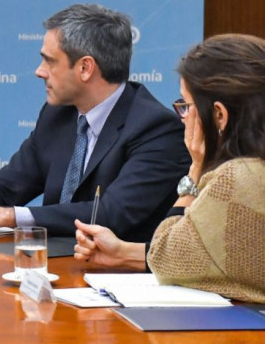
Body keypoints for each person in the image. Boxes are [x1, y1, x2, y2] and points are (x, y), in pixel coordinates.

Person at [0, 4, 189, 239]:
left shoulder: (157, 129)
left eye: (50, 61)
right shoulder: (58, 115)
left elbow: (110, 215)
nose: (39, 71)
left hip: (113, 271)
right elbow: (8, 186)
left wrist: (8, 217)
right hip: (53, 264)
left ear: (85, 68)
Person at [75, 34, 265, 302]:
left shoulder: (237, 179)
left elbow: (166, 257)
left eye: (187, 106)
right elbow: (209, 260)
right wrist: (124, 253)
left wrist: (196, 168)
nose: (183, 117)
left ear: (219, 115)